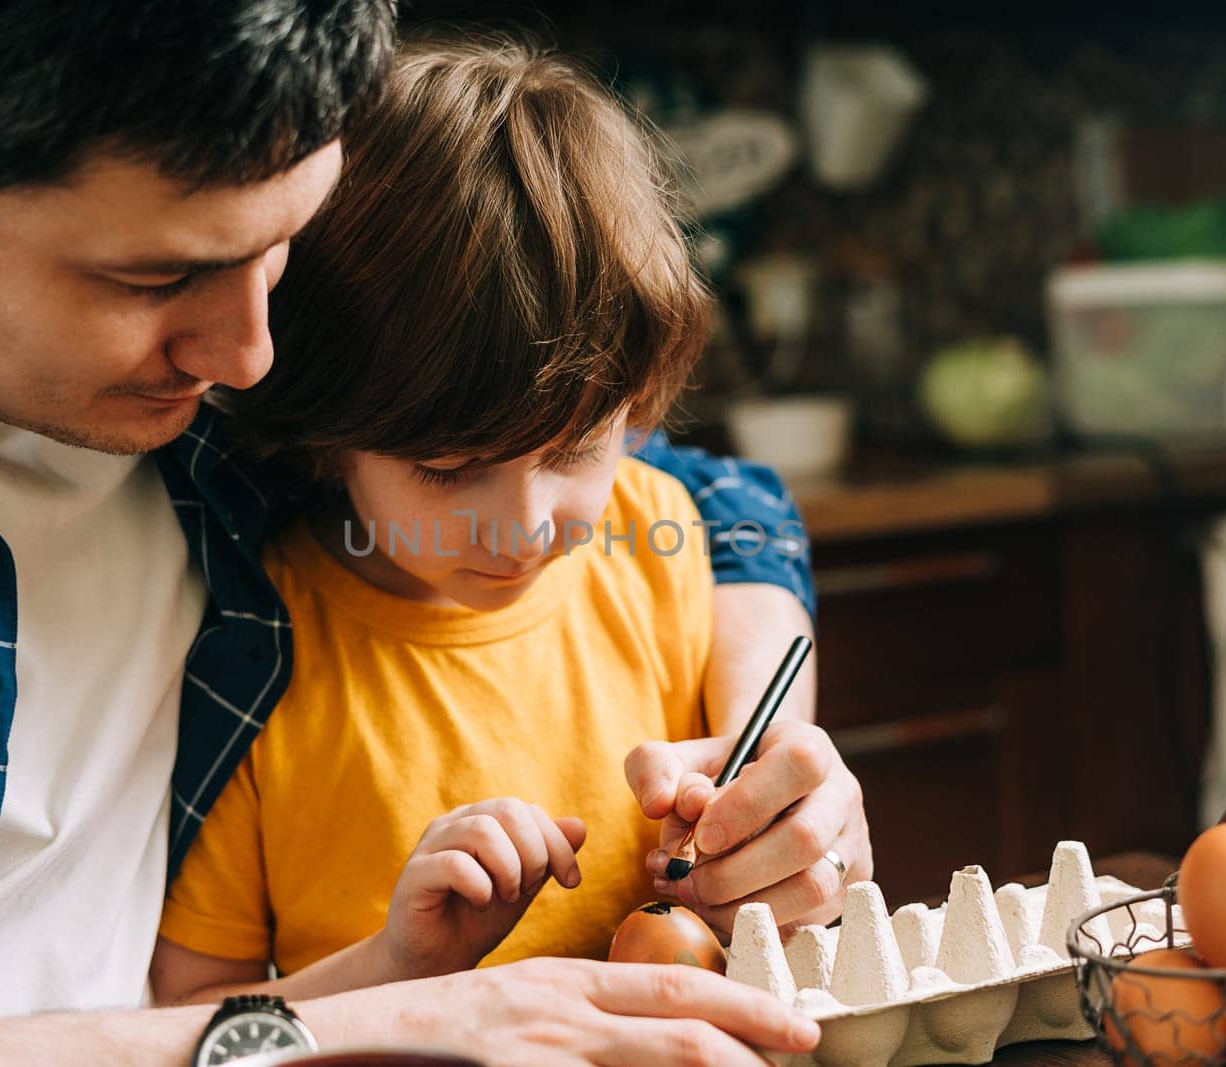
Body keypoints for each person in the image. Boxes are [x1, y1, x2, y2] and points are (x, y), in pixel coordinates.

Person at [0, 1, 870, 1063]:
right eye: (157, 275)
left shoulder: (252, 385)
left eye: (286, 240)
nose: (251, 356)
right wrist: (380, 1013)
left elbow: (694, 493)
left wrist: (767, 754)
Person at [149, 37, 777, 1003]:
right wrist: (399, 969)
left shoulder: (671, 546)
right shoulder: (253, 654)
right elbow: (195, 1018)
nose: (523, 529)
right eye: (447, 470)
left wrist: (757, 882)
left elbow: (774, 929)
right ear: (329, 434)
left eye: (573, 450)